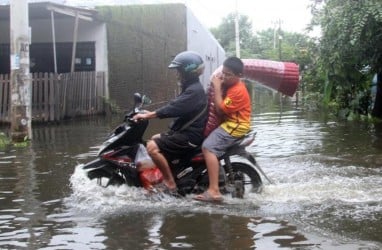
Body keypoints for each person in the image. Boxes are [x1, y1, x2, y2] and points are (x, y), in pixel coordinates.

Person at [133, 51, 207, 194]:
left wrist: (150, 115)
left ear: (187, 71)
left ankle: (170, 182)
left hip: (191, 136)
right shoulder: (192, 88)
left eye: (179, 71)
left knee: (152, 147)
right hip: (187, 131)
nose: (177, 74)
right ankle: (175, 172)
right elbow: (175, 104)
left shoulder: (194, 91)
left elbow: (175, 108)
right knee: (155, 138)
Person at [194, 56, 251, 202]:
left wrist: (217, 86)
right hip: (231, 123)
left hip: (235, 126)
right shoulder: (232, 85)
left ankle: (214, 190)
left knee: (208, 147)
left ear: (239, 76)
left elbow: (220, 109)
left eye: (228, 74)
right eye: (223, 73)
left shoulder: (238, 90)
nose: (224, 76)